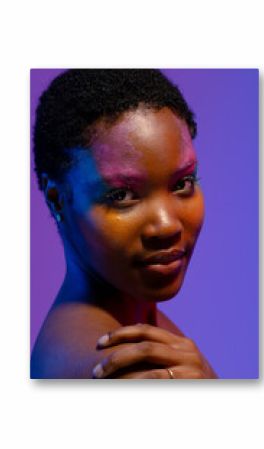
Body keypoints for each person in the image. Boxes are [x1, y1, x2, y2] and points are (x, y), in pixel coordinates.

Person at [31, 69, 218, 379]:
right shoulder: (128, 370)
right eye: (122, 195)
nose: (167, 225)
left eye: (183, 183)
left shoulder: (137, 321)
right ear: (56, 198)